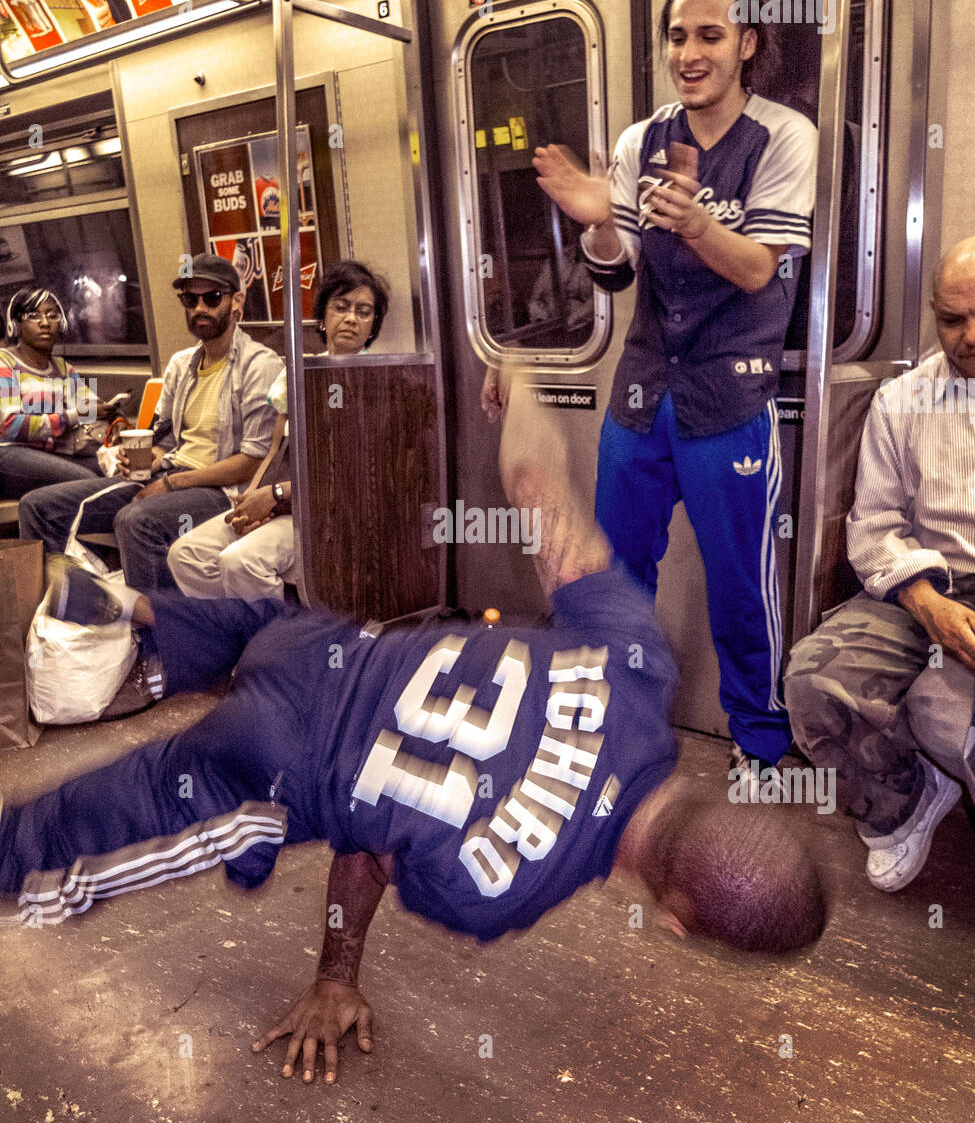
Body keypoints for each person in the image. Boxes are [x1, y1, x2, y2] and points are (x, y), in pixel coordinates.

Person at [0, 370, 827, 1084]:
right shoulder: (501, 892)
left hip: (322, 646)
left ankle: (137, 609)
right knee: (100, 823)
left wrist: (522, 379)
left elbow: (540, 485)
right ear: (675, 920)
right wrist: (336, 974)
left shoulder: (637, 661)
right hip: (275, 764)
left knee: (255, 625)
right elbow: (367, 847)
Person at [484, 0, 817, 790]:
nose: (689, 52)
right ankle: (614, 727)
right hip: (641, 393)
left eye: (709, 35)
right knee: (614, 572)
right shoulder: (641, 141)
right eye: (677, 36)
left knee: (741, 584)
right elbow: (613, 276)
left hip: (730, 396)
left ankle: (760, 743)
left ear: (746, 44)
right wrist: (600, 227)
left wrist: (698, 222)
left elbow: (755, 272)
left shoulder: (783, 138)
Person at [785, 239, 975, 893]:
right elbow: (872, 525)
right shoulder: (901, 402)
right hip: (922, 583)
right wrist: (926, 603)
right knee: (811, 683)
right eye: (951, 320)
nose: (967, 336)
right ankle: (900, 800)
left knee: (956, 722)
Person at [17, 255, 281, 591]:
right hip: (172, 474)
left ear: (236, 301)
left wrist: (173, 484)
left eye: (212, 298)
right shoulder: (181, 365)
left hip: (223, 490)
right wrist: (144, 458)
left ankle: (161, 633)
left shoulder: (260, 366)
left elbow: (253, 462)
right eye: (190, 299)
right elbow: (165, 439)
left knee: (136, 521)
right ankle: (62, 619)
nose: (200, 308)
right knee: (37, 507)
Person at [166, 261, 389, 601]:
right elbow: (274, 451)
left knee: (240, 561)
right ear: (322, 318)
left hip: (330, 507)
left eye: (364, 311)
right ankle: (233, 628)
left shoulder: (380, 381)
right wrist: (250, 501)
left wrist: (277, 497)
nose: (351, 319)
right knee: (186, 554)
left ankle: (274, 638)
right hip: (281, 493)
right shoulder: (296, 373)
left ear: (373, 325)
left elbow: (356, 472)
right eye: (341, 307)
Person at [0, 287, 107, 500]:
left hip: (51, 452)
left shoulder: (63, 368)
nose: (45, 323)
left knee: (113, 473)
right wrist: (74, 415)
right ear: (16, 325)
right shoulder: (5, 363)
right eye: (33, 316)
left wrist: (110, 413)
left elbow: (89, 404)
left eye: (52, 315)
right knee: (86, 481)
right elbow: (10, 426)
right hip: (8, 453)